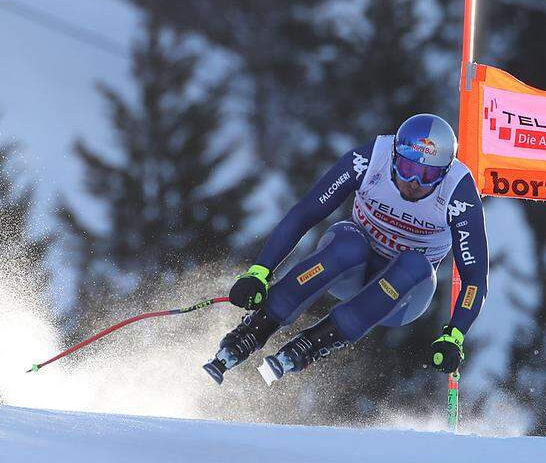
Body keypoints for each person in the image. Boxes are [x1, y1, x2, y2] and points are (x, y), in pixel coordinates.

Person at [203, 113, 489, 385]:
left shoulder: (459, 194)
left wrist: (455, 335)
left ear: (444, 173)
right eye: (407, 168)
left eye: (427, 175)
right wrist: (260, 272)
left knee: (415, 264)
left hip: (402, 296)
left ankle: (312, 344)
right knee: (348, 244)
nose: (413, 182)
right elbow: (306, 212)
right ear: (393, 156)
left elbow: (474, 278)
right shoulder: (369, 159)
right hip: (351, 268)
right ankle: (254, 329)